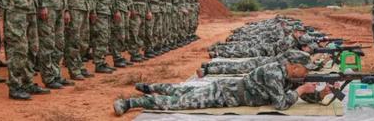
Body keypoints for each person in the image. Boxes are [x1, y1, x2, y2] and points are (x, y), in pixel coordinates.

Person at [114, 61, 324, 116]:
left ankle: (150, 88)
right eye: (305, 70)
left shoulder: (287, 74)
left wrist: (321, 93)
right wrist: (303, 90)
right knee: (179, 102)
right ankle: (130, 102)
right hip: (223, 94)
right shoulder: (273, 73)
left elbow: (299, 91)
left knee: (181, 91)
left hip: (226, 89)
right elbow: (281, 103)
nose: (306, 74)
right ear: (294, 66)